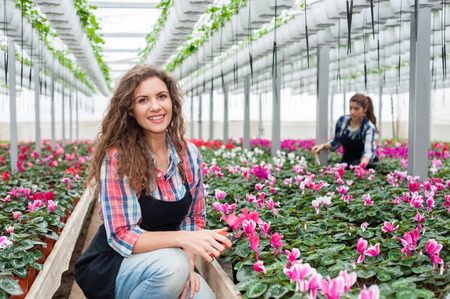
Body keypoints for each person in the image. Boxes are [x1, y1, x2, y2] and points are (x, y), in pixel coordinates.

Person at [75, 65, 231, 299]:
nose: (155, 106)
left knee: (201, 294)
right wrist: (181, 241)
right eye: (142, 100)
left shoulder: (188, 155)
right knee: (173, 266)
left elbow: (193, 217)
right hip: (115, 264)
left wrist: (189, 262)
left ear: (172, 102)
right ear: (130, 110)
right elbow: (122, 234)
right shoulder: (119, 159)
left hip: (170, 261)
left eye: (161, 96)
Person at [312, 93, 379, 169]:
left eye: (356, 109)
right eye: (350, 108)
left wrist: (360, 167)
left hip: (362, 164)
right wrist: (322, 146)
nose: (352, 112)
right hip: (346, 162)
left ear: (365, 109)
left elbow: (368, 152)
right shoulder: (342, 121)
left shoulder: (368, 127)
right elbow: (336, 142)